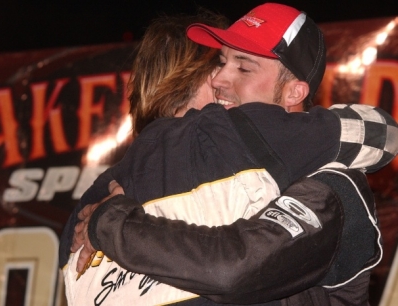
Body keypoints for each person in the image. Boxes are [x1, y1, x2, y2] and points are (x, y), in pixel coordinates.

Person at [60, 3, 398, 306]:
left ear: (295, 90)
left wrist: (110, 224)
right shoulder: (127, 181)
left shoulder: (329, 182)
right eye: (220, 62)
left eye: (243, 67)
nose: (220, 78)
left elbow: (233, 269)